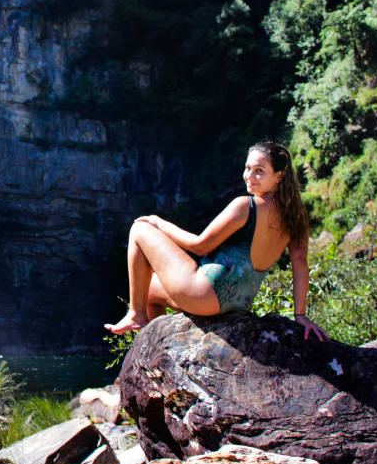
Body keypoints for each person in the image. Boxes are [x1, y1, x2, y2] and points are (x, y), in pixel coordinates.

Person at [104, 141, 327, 341]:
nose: (249, 176)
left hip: (204, 294)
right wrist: (300, 315)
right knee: (149, 289)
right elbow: (299, 262)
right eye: (248, 168)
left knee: (140, 228)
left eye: (259, 171)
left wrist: (160, 223)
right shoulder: (295, 215)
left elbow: (200, 245)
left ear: (279, 176)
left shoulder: (246, 206)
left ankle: (135, 314)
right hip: (238, 303)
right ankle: (161, 343)